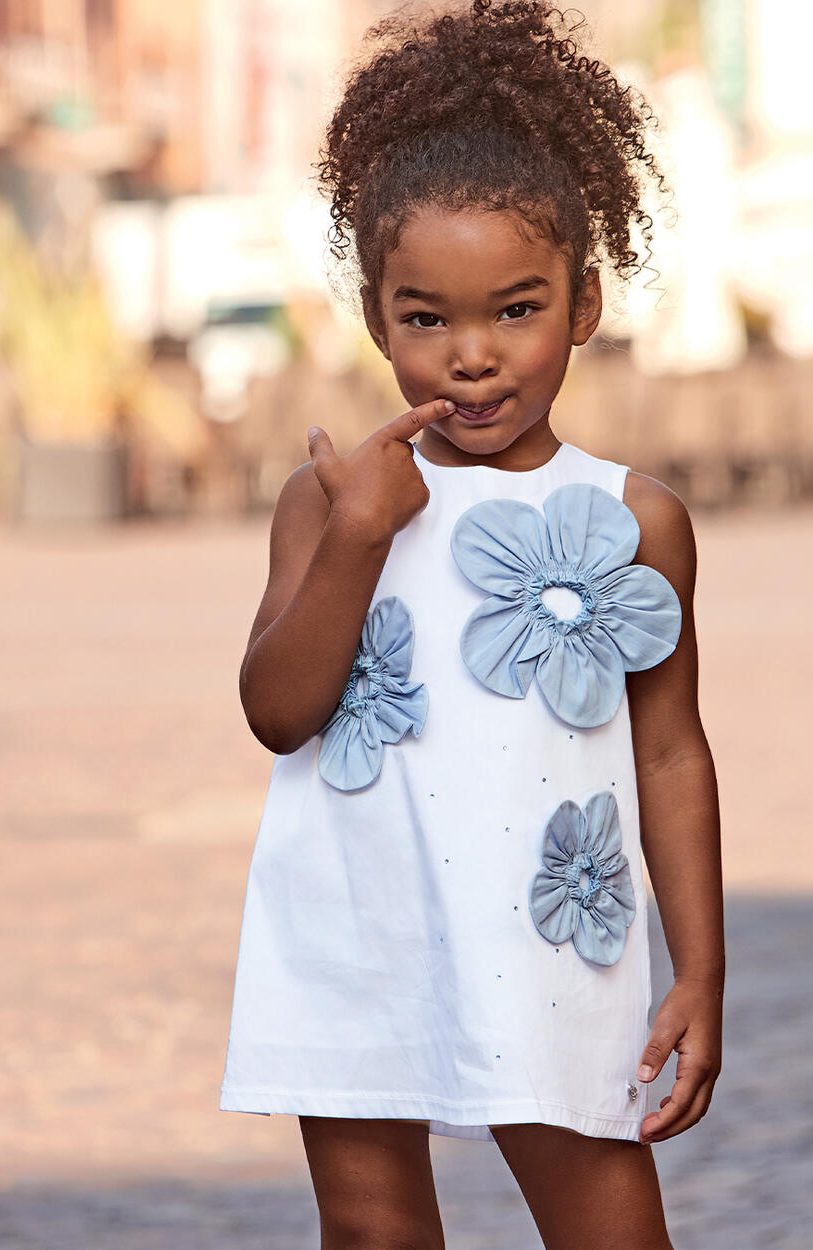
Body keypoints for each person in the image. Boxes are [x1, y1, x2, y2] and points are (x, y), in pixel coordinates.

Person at [219, 2, 724, 1246]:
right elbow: (277, 710)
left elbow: (668, 751)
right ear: (378, 315)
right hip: (355, 913)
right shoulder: (330, 499)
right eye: (424, 318)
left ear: (584, 303)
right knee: (374, 1225)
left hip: (549, 922)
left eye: (514, 308)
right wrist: (355, 537)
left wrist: (699, 966)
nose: (472, 357)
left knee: (604, 1216)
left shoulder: (631, 518)